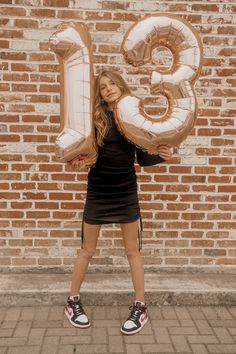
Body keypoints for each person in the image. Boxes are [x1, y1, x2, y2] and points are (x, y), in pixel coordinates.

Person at [65, 69, 173, 335]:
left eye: (113, 83)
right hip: (98, 191)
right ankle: (72, 301)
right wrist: (78, 161)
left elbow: (142, 159)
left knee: (133, 251)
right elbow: (83, 155)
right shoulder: (94, 118)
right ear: (99, 94)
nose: (109, 88)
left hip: (126, 192)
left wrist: (162, 155)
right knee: (86, 250)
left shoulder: (132, 116)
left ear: (122, 86)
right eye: (103, 87)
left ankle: (140, 306)